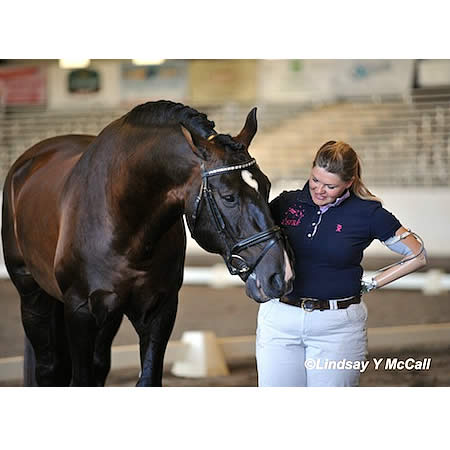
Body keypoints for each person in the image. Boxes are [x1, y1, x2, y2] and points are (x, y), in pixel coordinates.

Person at [256, 140, 427, 387]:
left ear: (349, 182)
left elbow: (417, 255)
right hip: (278, 320)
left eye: (330, 186)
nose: (319, 190)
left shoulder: (368, 213)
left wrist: (371, 283)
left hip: (337, 329)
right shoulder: (286, 202)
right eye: (315, 180)